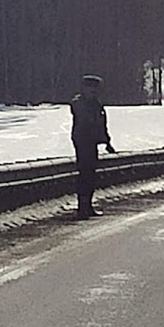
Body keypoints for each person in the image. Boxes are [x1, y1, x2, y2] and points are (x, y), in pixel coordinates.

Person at [70, 74, 115, 219]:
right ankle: (82, 207)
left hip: (92, 142)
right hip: (83, 141)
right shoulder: (80, 103)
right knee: (85, 174)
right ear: (84, 88)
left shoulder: (96, 104)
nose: (93, 91)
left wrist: (107, 142)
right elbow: (86, 121)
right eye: (90, 88)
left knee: (90, 175)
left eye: (95, 88)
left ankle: (87, 206)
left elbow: (102, 124)